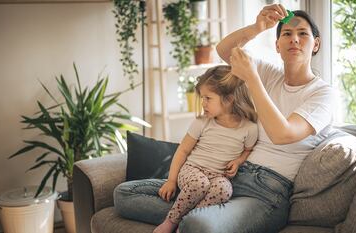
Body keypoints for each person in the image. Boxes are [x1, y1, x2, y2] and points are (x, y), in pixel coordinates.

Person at [114, 3, 335, 233]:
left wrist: (252, 79)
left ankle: (187, 216)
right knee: (124, 194)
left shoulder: (323, 93)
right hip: (227, 179)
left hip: (267, 192)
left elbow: (282, 134)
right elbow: (224, 50)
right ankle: (188, 213)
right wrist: (257, 27)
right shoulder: (271, 74)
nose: (294, 39)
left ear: (316, 44)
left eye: (303, 34)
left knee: (196, 224)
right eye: (287, 34)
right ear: (277, 45)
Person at [115, 65, 258, 233]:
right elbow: (182, 150)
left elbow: (247, 151)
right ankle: (171, 221)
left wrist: (238, 161)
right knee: (199, 183)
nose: (203, 103)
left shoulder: (249, 128)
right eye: (202, 98)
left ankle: (185, 223)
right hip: (192, 170)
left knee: (225, 189)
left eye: (208, 98)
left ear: (229, 99)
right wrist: (171, 181)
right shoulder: (202, 122)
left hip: (217, 176)